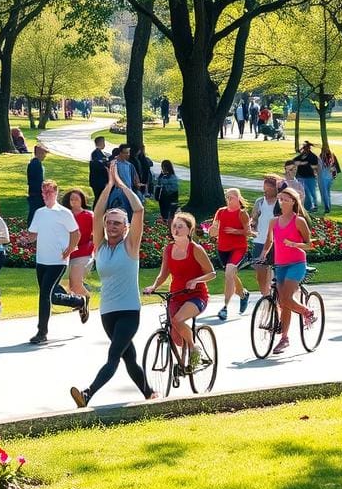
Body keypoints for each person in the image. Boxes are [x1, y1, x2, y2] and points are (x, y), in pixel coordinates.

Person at [70, 162, 154, 407]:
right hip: (107, 312)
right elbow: (97, 214)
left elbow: (138, 211)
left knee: (114, 356)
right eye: (110, 222)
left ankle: (87, 393)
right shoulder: (102, 246)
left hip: (129, 311)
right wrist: (107, 186)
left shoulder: (131, 246)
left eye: (117, 223)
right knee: (130, 359)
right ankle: (149, 394)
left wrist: (122, 185)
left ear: (126, 227)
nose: (112, 226)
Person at [143, 212, 215, 367]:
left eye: (180, 226)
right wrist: (153, 287)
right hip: (175, 295)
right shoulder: (168, 249)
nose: (175, 229)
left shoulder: (195, 249)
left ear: (189, 230)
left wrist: (196, 281)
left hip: (196, 296)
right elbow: (163, 274)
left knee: (177, 320)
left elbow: (212, 273)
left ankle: (194, 348)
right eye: (174, 226)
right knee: (175, 335)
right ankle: (183, 363)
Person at [28, 180, 89, 344]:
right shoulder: (39, 212)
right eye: (44, 192)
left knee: (44, 295)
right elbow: (33, 234)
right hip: (41, 260)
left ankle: (42, 332)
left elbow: (76, 234)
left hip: (58, 261)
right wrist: (26, 238)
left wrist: (69, 250)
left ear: (56, 193)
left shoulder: (64, 213)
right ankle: (79, 301)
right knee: (52, 296)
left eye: (49, 192)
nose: (46, 195)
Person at [261, 188, 315, 355]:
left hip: (297, 263)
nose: (282, 202)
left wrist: (295, 244)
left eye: (285, 199)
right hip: (280, 265)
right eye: (281, 199)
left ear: (293, 202)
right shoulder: (273, 222)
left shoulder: (298, 221)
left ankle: (307, 312)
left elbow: (309, 244)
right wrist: (263, 254)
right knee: (283, 303)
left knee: (286, 298)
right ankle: (284, 338)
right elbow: (269, 241)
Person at [208, 188, 252, 320]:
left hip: (238, 248)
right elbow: (214, 229)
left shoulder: (242, 213)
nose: (228, 200)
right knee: (231, 274)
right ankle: (243, 294)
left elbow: (248, 232)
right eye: (227, 197)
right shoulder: (221, 212)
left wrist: (235, 231)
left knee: (229, 273)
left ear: (238, 198)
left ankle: (225, 308)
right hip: (223, 248)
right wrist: (212, 230)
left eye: (231, 197)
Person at [61, 188, 95, 299]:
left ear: (82, 200)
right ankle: (81, 304)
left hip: (84, 252)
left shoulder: (89, 215)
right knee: (71, 287)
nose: (74, 201)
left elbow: (97, 234)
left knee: (75, 285)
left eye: (77, 198)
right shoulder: (65, 215)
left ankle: (85, 301)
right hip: (69, 254)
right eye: (72, 199)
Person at [251, 175, 279, 297]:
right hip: (260, 240)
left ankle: (277, 295)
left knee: (275, 270)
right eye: (264, 188)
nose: (266, 191)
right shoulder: (260, 202)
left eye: (269, 189)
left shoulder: (280, 202)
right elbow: (254, 218)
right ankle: (265, 296)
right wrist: (252, 224)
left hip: (276, 241)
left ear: (275, 188)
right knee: (260, 271)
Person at [292, 142, 319, 212]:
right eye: (304, 149)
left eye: (306, 149)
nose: (304, 150)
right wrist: (302, 163)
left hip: (310, 177)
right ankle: (306, 206)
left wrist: (308, 165)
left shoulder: (313, 156)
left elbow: (316, 166)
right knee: (304, 192)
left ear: (309, 149)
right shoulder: (301, 156)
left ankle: (315, 205)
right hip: (300, 176)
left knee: (312, 192)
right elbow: (293, 162)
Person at [26, 144, 48, 224]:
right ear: (39, 153)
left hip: (34, 192)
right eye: (44, 153)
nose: (45, 156)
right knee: (35, 211)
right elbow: (38, 180)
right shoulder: (36, 164)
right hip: (36, 193)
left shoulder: (35, 163)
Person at [88, 136, 109, 206]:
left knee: (101, 198)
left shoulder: (101, 153)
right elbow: (99, 166)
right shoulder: (95, 154)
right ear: (99, 143)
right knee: (98, 198)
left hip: (101, 180)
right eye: (103, 142)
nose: (104, 144)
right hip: (98, 181)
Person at [317, 144, 337, 213]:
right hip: (329, 177)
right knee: (328, 193)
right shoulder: (331, 157)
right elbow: (333, 168)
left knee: (324, 193)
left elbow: (319, 168)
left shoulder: (320, 158)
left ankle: (327, 207)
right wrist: (333, 175)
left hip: (323, 177)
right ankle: (329, 206)